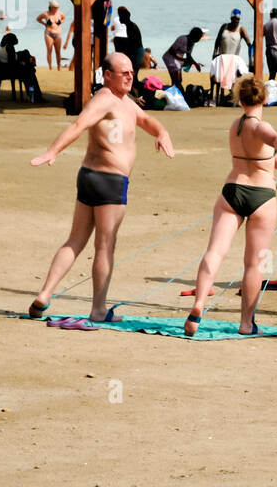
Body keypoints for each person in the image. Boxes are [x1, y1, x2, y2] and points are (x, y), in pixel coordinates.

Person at [28, 53, 174, 323]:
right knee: (104, 246)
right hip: (110, 182)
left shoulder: (125, 102)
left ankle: (45, 295)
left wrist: (162, 133)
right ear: (107, 75)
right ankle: (97, 309)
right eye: (124, 73)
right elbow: (78, 124)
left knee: (75, 240)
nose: (130, 76)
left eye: (132, 72)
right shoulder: (105, 99)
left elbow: (147, 121)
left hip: (90, 178)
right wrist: (52, 151)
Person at [183, 77, 277, 337]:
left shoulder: (236, 125)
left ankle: (199, 304)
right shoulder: (260, 125)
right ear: (264, 99)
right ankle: (246, 323)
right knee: (254, 263)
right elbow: (274, 139)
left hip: (232, 190)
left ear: (240, 100)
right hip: (261, 195)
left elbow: (256, 153)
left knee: (215, 252)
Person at [111, 7, 144, 81]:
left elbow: (133, 44)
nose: (119, 19)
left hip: (137, 52)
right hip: (138, 51)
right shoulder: (129, 25)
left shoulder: (130, 27)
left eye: (120, 16)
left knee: (133, 76)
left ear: (124, 17)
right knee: (133, 77)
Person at [39, 0, 65, 69]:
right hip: (48, 33)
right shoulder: (46, 14)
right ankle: (50, 67)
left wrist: (60, 22)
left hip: (58, 33)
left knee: (58, 51)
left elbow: (64, 18)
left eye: (57, 7)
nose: (56, 9)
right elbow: (38, 19)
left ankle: (59, 66)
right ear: (51, 7)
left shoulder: (60, 13)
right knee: (49, 50)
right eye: (55, 7)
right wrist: (44, 24)